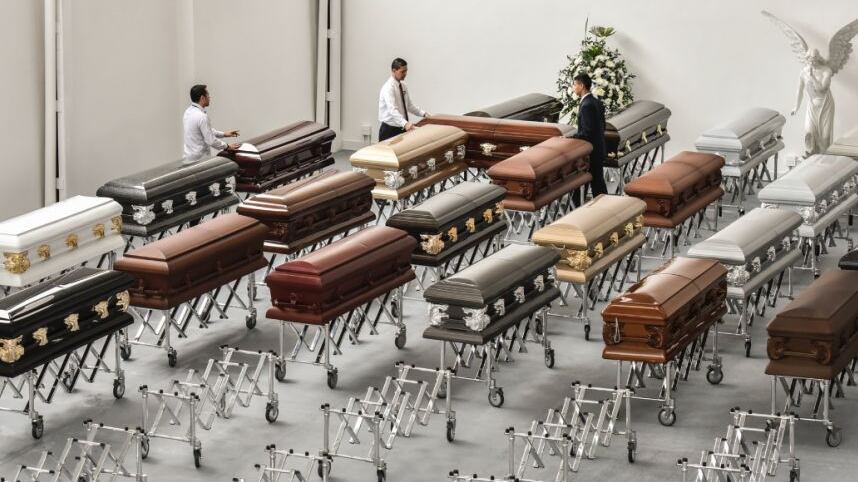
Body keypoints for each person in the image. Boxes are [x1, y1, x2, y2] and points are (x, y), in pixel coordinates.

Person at [571, 73, 608, 205]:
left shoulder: (586, 105)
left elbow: (587, 132)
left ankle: (578, 209)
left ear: (581, 86)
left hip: (591, 152)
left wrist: (570, 138)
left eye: (574, 85)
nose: (573, 88)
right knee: (597, 183)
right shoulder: (596, 102)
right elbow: (602, 126)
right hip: (598, 149)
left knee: (592, 183)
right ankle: (605, 208)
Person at [183, 84, 240, 162]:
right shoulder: (201, 116)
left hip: (188, 159)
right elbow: (211, 140)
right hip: (200, 161)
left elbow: (205, 130)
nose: (209, 98)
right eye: (208, 95)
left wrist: (224, 134)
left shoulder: (188, 112)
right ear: (202, 98)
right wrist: (227, 146)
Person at [378, 58, 430, 142]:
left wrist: (424, 114)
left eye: (406, 71)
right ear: (394, 71)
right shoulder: (388, 88)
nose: (405, 74)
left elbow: (409, 106)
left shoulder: (403, 86)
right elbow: (392, 110)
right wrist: (405, 124)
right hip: (389, 130)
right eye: (402, 71)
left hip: (401, 127)